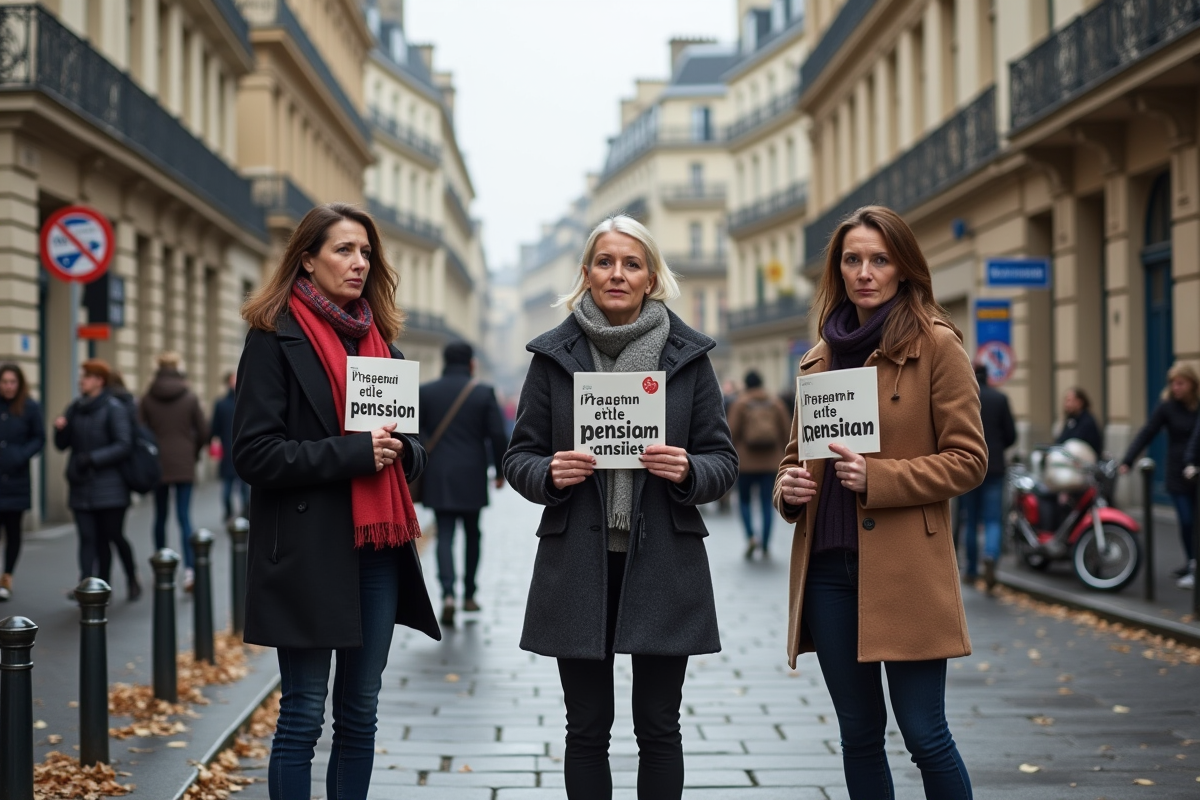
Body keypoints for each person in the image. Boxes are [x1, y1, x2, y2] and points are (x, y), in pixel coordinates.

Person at [504, 215, 738, 800]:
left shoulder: (689, 357)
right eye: (605, 262)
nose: (617, 274)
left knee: (659, 727)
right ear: (586, 273)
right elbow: (518, 457)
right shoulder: (552, 356)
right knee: (586, 729)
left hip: (664, 559)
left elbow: (722, 461)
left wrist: (689, 470)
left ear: (651, 277)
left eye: (632, 264)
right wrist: (548, 473)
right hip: (577, 562)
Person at [774, 206, 986, 799]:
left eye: (879, 259)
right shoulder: (819, 356)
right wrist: (788, 488)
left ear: (903, 268)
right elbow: (794, 458)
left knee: (925, 733)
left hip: (905, 568)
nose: (865, 272)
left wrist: (879, 477)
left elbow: (969, 460)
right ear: (838, 270)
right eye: (852, 260)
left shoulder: (936, 345)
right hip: (828, 572)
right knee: (859, 735)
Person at [233, 202, 439, 800]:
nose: (359, 263)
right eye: (344, 250)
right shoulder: (273, 339)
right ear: (307, 259)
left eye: (366, 252)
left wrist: (404, 452)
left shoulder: (384, 349)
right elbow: (254, 454)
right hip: (306, 550)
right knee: (302, 713)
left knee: (360, 711)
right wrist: (352, 453)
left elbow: (414, 450)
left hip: (377, 550)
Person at [418, 340, 508, 627]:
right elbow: (497, 435)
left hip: (438, 473)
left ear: (445, 361)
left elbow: (416, 433)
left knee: (444, 534)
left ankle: (447, 595)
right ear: (471, 363)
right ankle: (469, 594)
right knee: (472, 533)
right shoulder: (483, 393)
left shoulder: (426, 391)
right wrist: (500, 471)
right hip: (472, 472)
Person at [53, 359, 133, 589]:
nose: (82, 381)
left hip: (110, 488)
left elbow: (124, 445)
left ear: (99, 381)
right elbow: (62, 445)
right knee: (87, 538)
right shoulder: (76, 407)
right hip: (81, 484)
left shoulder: (114, 408)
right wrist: (59, 429)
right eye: (82, 376)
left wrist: (93, 458)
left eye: (86, 377)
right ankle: (86, 585)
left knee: (109, 537)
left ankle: (121, 579)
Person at [1120, 362, 1199, 589]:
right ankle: (1192, 562)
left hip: (1197, 469)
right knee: (1186, 520)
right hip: (1177, 471)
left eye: (1180, 383)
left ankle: (1194, 562)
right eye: (1173, 383)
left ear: (1192, 384)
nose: (1176, 388)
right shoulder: (1167, 407)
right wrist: (1128, 459)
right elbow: (1148, 431)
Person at [139, 352, 208, 591]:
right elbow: (204, 430)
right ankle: (190, 571)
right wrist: (192, 451)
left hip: (157, 463)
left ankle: (162, 566)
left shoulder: (148, 398)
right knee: (184, 517)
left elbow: (139, 430)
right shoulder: (189, 397)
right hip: (183, 462)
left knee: (160, 517)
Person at [958, 362, 1017, 589]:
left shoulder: (964, 397)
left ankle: (971, 571)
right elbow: (1011, 435)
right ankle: (991, 555)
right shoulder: (1000, 399)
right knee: (993, 519)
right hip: (995, 467)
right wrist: (998, 448)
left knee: (971, 520)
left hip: (968, 469)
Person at [726, 369, 790, 559]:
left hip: (745, 464)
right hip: (771, 463)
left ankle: (751, 537)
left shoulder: (740, 404)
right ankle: (766, 543)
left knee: (744, 501)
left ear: (746, 385)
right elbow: (787, 433)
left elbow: (730, 433)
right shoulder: (776, 403)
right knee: (766, 503)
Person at [0, 363, 44, 601]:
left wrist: (21, 455)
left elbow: (39, 438)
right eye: (4, 382)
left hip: (16, 480)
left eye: (12, 382)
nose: (8, 386)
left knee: (13, 531)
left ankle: (7, 576)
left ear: (19, 384)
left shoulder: (29, 407)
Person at [105, 371, 143, 600]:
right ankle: (99, 586)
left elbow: (126, 443)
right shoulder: (85, 405)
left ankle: (130, 576)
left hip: (117, 481)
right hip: (99, 483)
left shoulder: (122, 406)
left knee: (113, 534)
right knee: (103, 538)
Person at [210, 371, 249, 522]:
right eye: (233, 379)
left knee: (244, 487)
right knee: (227, 488)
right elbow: (214, 428)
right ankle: (229, 513)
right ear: (227, 382)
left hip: (244, 449)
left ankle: (246, 514)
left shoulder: (246, 401)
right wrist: (213, 442)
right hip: (228, 451)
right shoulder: (221, 404)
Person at [1055, 386, 1103, 457]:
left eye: (1069, 400)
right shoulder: (1070, 420)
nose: (1066, 404)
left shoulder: (1087, 421)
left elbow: (1077, 441)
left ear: (1079, 402)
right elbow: (1061, 440)